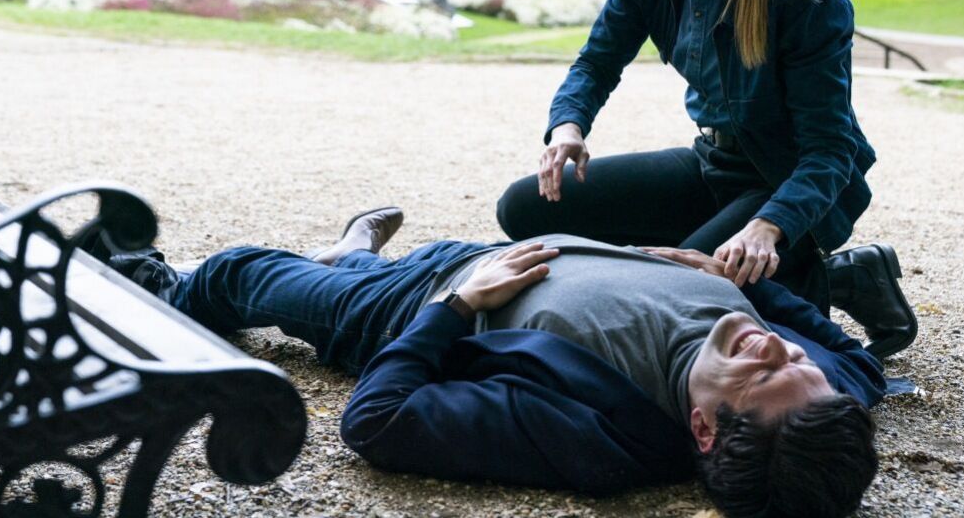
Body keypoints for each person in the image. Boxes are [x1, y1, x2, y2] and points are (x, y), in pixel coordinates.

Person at [90, 208, 885, 517]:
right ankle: (345, 255)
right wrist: (744, 285)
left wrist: (456, 305)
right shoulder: (821, 391)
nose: (779, 347)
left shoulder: (597, 436)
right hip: (483, 251)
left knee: (237, 273)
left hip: (412, 301)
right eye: (798, 360)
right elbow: (861, 362)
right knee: (339, 268)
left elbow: (377, 420)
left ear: (704, 429)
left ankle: (151, 283)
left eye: (764, 372)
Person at [494, 0, 916, 359]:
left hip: (786, 182)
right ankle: (828, 277)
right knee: (524, 209)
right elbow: (598, 59)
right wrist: (568, 127)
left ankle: (813, 272)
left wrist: (768, 227)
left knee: (670, 293)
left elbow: (831, 152)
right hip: (712, 163)